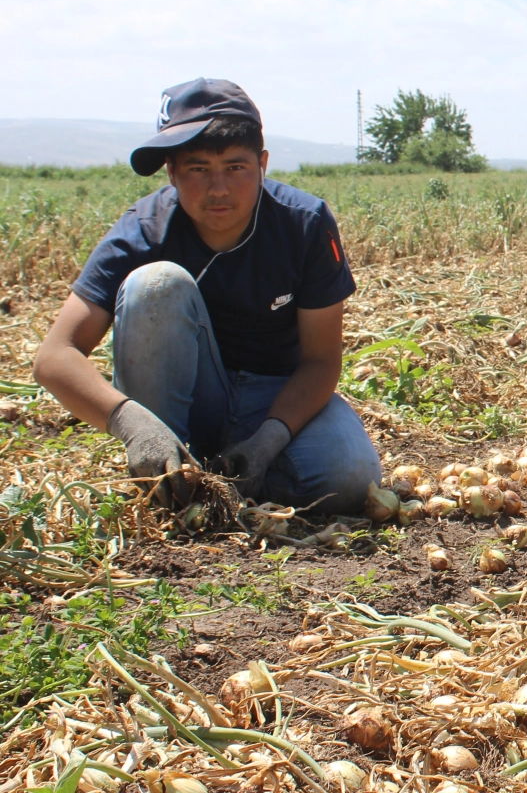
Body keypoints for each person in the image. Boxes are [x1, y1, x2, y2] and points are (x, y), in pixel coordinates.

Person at [33, 78, 381, 512]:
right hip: (182, 404)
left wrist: (268, 440)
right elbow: (55, 356)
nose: (218, 189)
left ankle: (228, 475)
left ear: (263, 164)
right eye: (198, 169)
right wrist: (134, 425)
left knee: (348, 478)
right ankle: (169, 466)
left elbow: (320, 360)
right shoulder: (144, 230)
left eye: (235, 168)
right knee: (155, 284)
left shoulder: (303, 224)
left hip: (274, 397)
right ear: (171, 172)